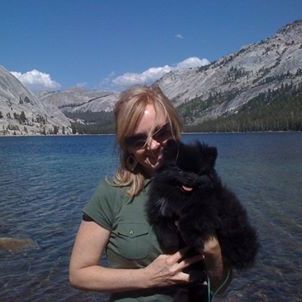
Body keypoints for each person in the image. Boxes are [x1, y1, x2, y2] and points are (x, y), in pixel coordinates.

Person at [69, 86, 232, 301]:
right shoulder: (112, 193)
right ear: (128, 149)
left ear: (175, 126)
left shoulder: (204, 186)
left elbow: (221, 286)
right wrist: (147, 277)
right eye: (138, 140)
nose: (154, 145)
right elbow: (79, 274)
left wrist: (213, 252)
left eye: (162, 132)